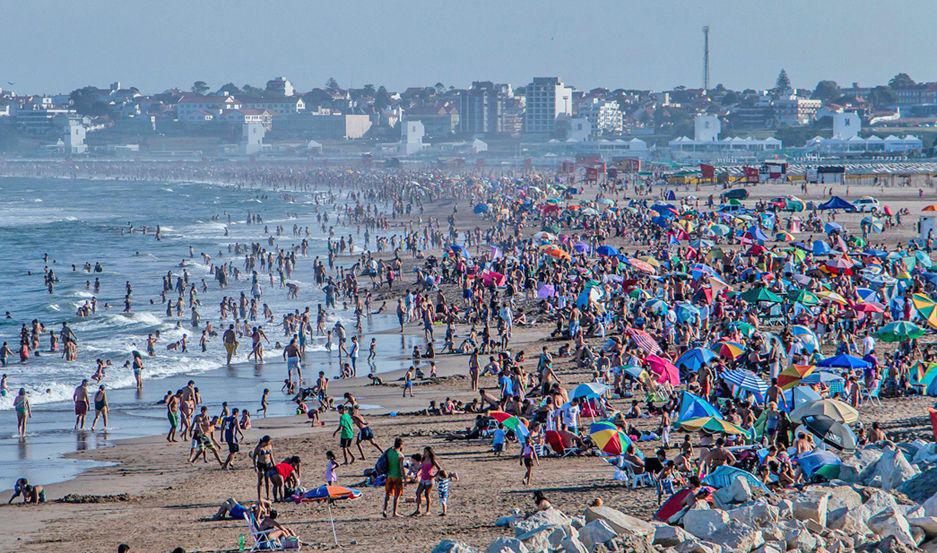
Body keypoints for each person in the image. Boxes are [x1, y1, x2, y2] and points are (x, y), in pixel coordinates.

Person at [412, 446, 442, 516]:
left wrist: (434, 476)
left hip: (429, 480)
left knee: (427, 494)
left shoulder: (432, 460)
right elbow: (420, 469)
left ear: (429, 452)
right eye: (424, 451)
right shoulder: (423, 459)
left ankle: (428, 511)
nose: (424, 453)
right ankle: (418, 509)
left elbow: (440, 469)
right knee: (418, 493)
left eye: (426, 451)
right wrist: (417, 475)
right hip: (423, 479)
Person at [382, 437, 405, 518]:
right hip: (397, 476)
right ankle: (394, 512)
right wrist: (404, 478)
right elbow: (401, 468)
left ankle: (384, 509)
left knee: (387, 493)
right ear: (401, 445)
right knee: (396, 495)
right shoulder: (400, 455)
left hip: (389, 476)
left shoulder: (389, 452)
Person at [252, 435, 275, 501]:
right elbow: (254, 457)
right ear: (265, 441)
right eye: (269, 441)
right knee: (260, 481)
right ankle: (259, 497)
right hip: (260, 464)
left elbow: (271, 456)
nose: (270, 443)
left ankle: (268, 496)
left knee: (267, 481)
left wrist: (274, 465)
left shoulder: (269, 446)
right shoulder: (258, 447)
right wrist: (255, 466)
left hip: (268, 464)